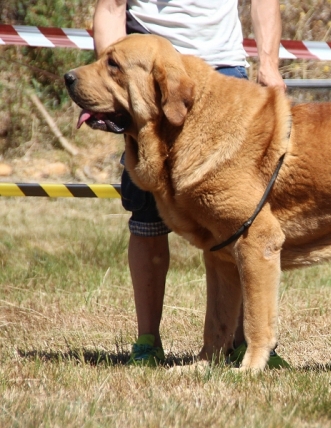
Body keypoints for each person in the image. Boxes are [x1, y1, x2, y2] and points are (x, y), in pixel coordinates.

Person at [92, 0, 289, 367]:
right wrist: (109, 75)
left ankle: (251, 344)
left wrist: (269, 64)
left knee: (239, 222)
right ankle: (148, 342)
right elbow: (110, 7)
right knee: (147, 217)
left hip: (222, 69)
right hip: (145, 73)